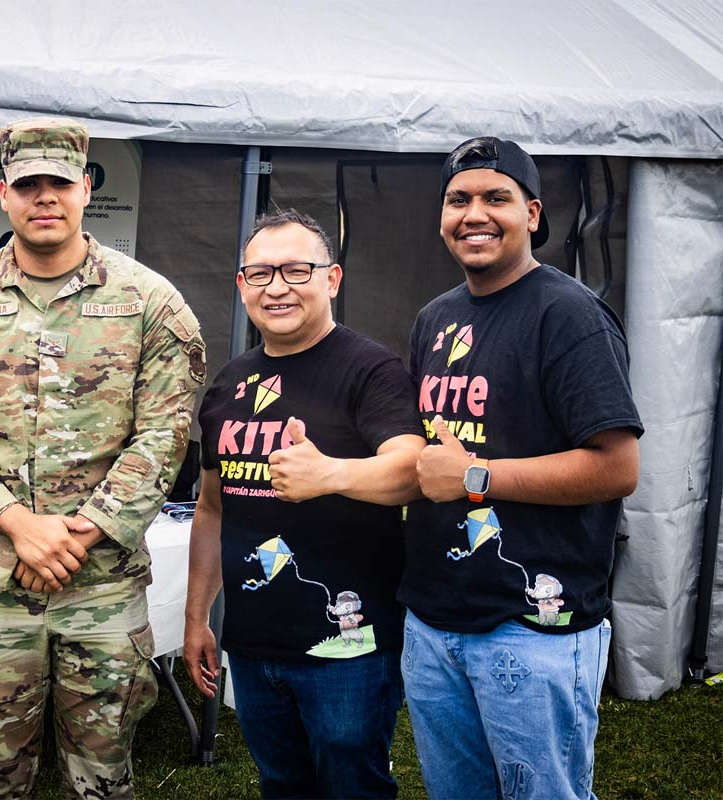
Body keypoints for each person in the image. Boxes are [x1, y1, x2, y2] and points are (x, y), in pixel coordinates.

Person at [0, 118, 206, 799]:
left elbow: (163, 435)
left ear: (87, 189)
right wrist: (17, 524)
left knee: (101, 780)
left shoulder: (150, 303)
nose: (45, 198)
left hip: (101, 590)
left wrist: (83, 529)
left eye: (60, 184)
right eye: (29, 184)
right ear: (3, 193)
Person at [403, 137, 643, 800]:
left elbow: (617, 466)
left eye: (495, 198)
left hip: (533, 623)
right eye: (458, 200)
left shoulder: (567, 315)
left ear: (533, 214)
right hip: (435, 619)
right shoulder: (435, 319)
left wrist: (477, 477)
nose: (473, 213)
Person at [185, 209, 425, 799]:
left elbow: (412, 471)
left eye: (297, 270)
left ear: (333, 279)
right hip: (253, 638)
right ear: (241, 286)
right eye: (261, 273)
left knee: (353, 785)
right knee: (282, 784)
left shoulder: (371, 369)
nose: (278, 287)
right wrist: (195, 616)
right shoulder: (227, 384)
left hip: (349, 643)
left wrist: (329, 473)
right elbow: (212, 509)